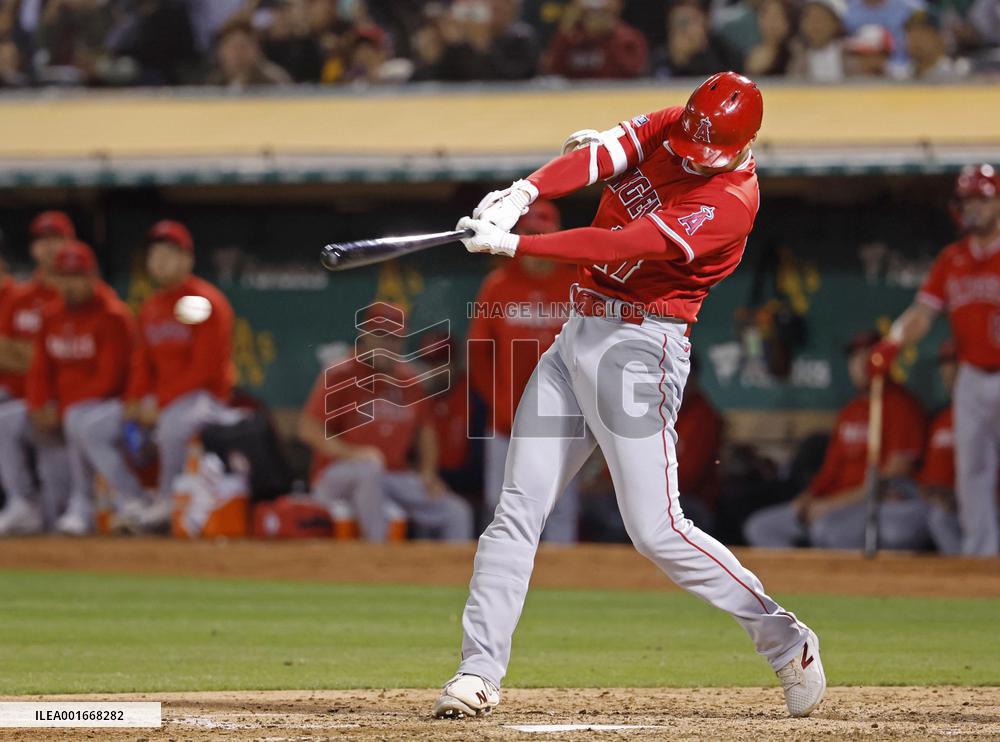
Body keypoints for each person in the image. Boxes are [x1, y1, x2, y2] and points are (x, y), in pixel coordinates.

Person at [433, 72, 826, 720]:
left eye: (706, 150)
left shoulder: (729, 201)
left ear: (741, 143)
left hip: (640, 348)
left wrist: (517, 244)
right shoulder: (680, 123)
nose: (690, 155)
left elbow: (622, 244)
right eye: (690, 141)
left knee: (657, 531)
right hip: (580, 330)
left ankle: (787, 640)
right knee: (516, 510)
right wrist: (522, 191)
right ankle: (478, 672)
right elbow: (601, 154)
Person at [870, 163, 1000, 556]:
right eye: (967, 199)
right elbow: (923, 313)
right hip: (973, 376)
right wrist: (892, 342)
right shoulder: (951, 259)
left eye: (982, 198)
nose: (973, 207)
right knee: (972, 473)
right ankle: (982, 558)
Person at [299, 302, 474, 542]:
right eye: (380, 335)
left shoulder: (408, 379)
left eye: (394, 338)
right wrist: (353, 453)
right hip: (338, 474)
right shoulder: (340, 373)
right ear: (365, 335)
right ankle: (378, 555)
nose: (386, 344)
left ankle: (456, 577)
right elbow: (308, 429)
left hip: (393, 475)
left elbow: (426, 431)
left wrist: (428, 473)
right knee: (370, 468)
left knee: (456, 511)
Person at [744, 331, 928, 550]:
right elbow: (830, 471)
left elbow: (894, 475)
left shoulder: (901, 406)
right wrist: (808, 497)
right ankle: (804, 582)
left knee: (826, 530)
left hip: (866, 504)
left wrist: (830, 505)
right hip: (832, 501)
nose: (859, 363)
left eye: (867, 354)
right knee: (760, 528)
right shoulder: (850, 411)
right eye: (854, 357)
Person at [467, 199, 579, 541]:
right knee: (501, 508)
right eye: (530, 234)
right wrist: (498, 402)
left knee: (559, 509)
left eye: (543, 235)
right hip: (506, 421)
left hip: (562, 420)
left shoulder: (577, 283)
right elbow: (479, 355)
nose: (536, 243)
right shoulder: (498, 285)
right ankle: (501, 586)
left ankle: (562, 588)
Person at [125, 220, 236, 530]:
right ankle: (130, 501)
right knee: (105, 426)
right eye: (155, 254)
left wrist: (159, 402)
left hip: (207, 398)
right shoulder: (150, 307)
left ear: (188, 259)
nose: (160, 261)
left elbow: (205, 369)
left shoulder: (201, 301)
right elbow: (142, 363)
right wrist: (134, 401)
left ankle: (166, 502)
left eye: (170, 254)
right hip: (163, 399)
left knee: (174, 423)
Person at [26, 240, 140, 535]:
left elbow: (110, 379)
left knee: (79, 420)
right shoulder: (51, 316)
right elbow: (39, 370)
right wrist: (39, 406)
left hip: (113, 406)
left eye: (76, 277)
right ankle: (26, 504)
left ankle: (113, 498)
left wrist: (62, 409)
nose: (69, 285)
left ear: (92, 277)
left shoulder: (113, 315)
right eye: (63, 277)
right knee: (8, 422)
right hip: (69, 409)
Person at [0, 211, 74, 534]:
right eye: (41, 240)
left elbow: (63, 361)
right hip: (23, 396)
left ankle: (66, 509)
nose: (48, 247)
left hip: (66, 398)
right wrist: (29, 357)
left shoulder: (77, 293)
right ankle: (21, 502)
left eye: (55, 238)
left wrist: (26, 354)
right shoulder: (19, 296)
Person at [543, 0, 648, 79]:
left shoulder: (627, 38)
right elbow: (552, 70)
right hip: (574, 100)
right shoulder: (571, 37)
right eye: (591, 12)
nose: (596, 17)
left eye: (602, 12)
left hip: (616, 98)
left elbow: (634, 73)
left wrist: (610, 36)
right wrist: (566, 26)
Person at [207, 18, 292, 88]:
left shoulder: (274, 81)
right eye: (233, 48)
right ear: (221, 52)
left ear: (257, 50)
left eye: (243, 47)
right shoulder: (215, 83)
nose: (239, 54)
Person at [788, 0, 847, 82]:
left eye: (821, 18)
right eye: (810, 18)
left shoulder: (846, 53)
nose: (815, 25)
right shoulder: (795, 53)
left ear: (835, 23)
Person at [902, 10, 970, 80]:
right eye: (911, 33)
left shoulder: (953, 75)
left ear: (940, 38)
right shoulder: (903, 74)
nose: (916, 40)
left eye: (923, 33)